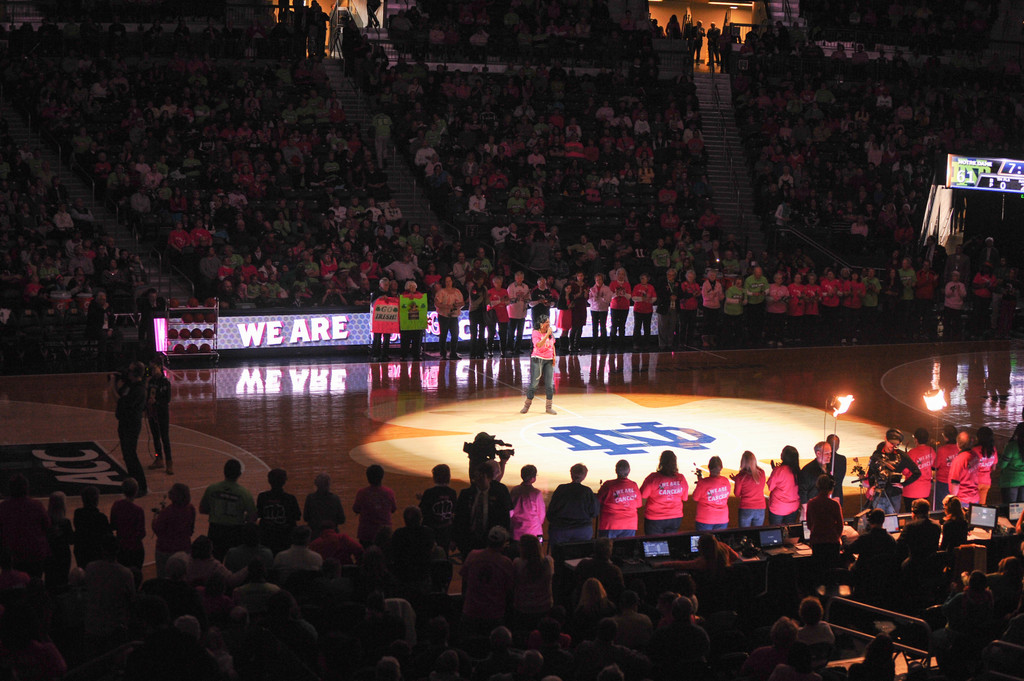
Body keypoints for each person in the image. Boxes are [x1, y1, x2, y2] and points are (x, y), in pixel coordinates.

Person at [460, 526, 515, 636]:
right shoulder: (506, 563)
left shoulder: (473, 555)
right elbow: (510, 589)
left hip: (471, 611)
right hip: (494, 614)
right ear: (503, 544)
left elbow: (464, 578)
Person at [199, 459, 257, 561]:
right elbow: (253, 516)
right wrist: (244, 519)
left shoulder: (212, 489)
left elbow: (202, 509)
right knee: (235, 560)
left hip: (216, 530)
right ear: (239, 474)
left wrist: (217, 512)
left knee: (215, 561)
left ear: (224, 471)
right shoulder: (244, 493)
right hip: (235, 531)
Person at [453, 460, 512, 556]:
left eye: (482, 477)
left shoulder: (500, 496)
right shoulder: (465, 494)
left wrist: (504, 538)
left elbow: (505, 518)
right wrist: (455, 538)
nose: (478, 480)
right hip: (468, 541)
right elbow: (458, 517)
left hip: (490, 542)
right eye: (476, 477)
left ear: (490, 478)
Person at [0, 474, 50, 577]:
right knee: (35, 583)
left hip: (12, 554)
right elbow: (47, 526)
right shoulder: (36, 505)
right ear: (26, 488)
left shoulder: (3, 507)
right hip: (35, 553)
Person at [111, 361, 149, 496]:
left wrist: (112, 385)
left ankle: (142, 486)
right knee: (127, 456)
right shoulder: (129, 385)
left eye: (130, 370)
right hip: (124, 423)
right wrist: (116, 383)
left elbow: (120, 400)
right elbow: (120, 394)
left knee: (131, 455)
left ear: (135, 373)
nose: (127, 372)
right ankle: (132, 483)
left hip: (132, 425)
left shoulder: (139, 390)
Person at [867, 429, 921, 514]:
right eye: (891, 443)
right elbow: (871, 473)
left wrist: (903, 484)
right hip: (879, 494)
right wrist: (872, 486)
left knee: (893, 522)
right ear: (886, 439)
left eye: (896, 444)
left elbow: (917, 472)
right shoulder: (876, 454)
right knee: (878, 520)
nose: (893, 446)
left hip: (894, 495)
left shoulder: (902, 455)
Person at [152, 482, 196, 578]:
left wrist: (155, 518)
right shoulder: (191, 508)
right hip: (184, 548)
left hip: (165, 550)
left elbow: (157, 529)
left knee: (163, 578)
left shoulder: (167, 512)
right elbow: (191, 528)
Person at [641, 450, 689, 535]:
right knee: (671, 544)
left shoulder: (652, 478)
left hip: (655, 518)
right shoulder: (681, 478)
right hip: (675, 518)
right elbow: (685, 498)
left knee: (654, 544)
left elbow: (643, 495)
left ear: (661, 462)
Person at [547, 463, 597, 545]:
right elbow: (594, 512)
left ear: (571, 474)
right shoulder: (587, 491)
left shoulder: (561, 489)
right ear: (584, 476)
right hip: (582, 530)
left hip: (560, 529)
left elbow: (551, 511)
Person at [256, 468, 302, 555]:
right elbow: (298, 516)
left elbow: (259, 514)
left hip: (267, 537)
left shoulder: (262, 497)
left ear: (269, 481)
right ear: (284, 481)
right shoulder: (290, 499)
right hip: (285, 538)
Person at [520, 314, 557, 414]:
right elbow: (538, 345)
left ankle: (548, 407)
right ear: (541, 324)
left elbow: (553, 345)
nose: (548, 325)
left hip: (548, 359)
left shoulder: (550, 333)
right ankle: (527, 405)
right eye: (546, 323)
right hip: (538, 359)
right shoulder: (535, 333)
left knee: (549, 384)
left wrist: (554, 357)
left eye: (549, 322)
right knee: (534, 384)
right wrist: (546, 335)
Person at [352, 464, 398, 547]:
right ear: (382, 477)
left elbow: (355, 509)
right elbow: (393, 509)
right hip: (385, 533)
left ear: (368, 478)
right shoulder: (389, 492)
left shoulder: (362, 493)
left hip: (366, 533)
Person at [806, 475, 843, 572]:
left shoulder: (811, 503)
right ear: (831, 488)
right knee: (832, 572)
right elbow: (840, 525)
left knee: (819, 572)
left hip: (817, 542)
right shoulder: (834, 504)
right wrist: (835, 537)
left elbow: (809, 524)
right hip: (832, 543)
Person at [597, 459, 643, 537]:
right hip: (629, 525)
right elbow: (639, 504)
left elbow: (598, 501)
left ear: (616, 470)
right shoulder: (634, 485)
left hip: (610, 524)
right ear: (629, 471)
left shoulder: (608, 485)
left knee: (607, 548)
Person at [418, 464, 457, 553]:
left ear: (434, 477)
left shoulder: (429, 493)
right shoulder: (452, 493)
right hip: (446, 532)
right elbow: (454, 513)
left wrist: (423, 499)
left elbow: (423, 511)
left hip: (431, 532)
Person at [110, 477, 146, 571]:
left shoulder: (116, 505)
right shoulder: (138, 510)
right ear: (136, 491)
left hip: (121, 547)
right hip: (135, 548)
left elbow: (113, 525)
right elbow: (142, 533)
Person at [145, 361, 173, 474]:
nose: (152, 370)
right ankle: (158, 458)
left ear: (160, 367)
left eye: (154, 368)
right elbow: (147, 395)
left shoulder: (165, 382)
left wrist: (156, 402)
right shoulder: (151, 381)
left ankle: (169, 462)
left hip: (162, 414)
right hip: (152, 413)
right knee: (155, 437)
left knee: (164, 438)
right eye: (151, 368)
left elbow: (167, 399)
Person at [509, 464, 546, 543]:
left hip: (516, 532)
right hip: (534, 532)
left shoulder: (515, 490)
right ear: (533, 478)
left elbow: (510, 511)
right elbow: (541, 514)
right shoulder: (536, 493)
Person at [693, 456, 731, 531]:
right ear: (721, 468)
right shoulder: (726, 481)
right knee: (719, 541)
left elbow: (695, 498)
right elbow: (726, 495)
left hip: (705, 519)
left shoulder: (703, 483)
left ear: (709, 467)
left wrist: (700, 482)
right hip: (722, 519)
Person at [902, 428, 936, 511]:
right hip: (925, 491)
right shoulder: (931, 451)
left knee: (910, 516)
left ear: (916, 440)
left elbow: (905, 471)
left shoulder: (912, 453)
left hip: (911, 491)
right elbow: (934, 466)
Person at [798, 441, 833, 517]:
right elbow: (802, 492)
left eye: (830, 453)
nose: (829, 456)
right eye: (827, 453)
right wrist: (807, 511)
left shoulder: (829, 467)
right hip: (811, 509)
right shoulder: (808, 470)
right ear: (818, 454)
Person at [733, 450, 767, 527]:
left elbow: (737, 494)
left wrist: (737, 482)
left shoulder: (740, 477)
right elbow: (758, 487)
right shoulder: (762, 473)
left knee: (744, 534)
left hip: (746, 508)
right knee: (757, 534)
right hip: (760, 507)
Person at [768, 446, 801, 524]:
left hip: (778, 508)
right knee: (789, 533)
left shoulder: (779, 470)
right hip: (793, 507)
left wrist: (774, 471)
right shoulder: (798, 471)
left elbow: (770, 486)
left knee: (775, 532)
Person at [435, 274, 464, 360]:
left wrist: (456, 305)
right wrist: (447, 307)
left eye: (449, 281)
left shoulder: (457, 291)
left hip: (454, 316)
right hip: (444, 316)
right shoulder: (441, 292)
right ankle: (443, 353)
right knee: (443, 334)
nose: (448, 283)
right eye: (446, 281)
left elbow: (462, 303)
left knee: (455, 334)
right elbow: (437, 303)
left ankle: (453, 352)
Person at [398, 280, 427, 360]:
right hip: (406, 322)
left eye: (414, 286)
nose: (412, 288)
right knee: (405, 340)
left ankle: (416, 355)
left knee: (417, 339)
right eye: (410, 286)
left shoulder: (420, 295)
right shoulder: (403, 296)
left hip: (417, 322)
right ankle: (403, 355)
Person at [949, 435, 981, 506]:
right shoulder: (975, 455)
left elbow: (955, 483)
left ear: (957, 444)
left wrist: (951, 500)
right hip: (974, 497)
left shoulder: (959, 460)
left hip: (963, 500)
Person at [998, 422, 1024, 504]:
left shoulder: (1012, 446)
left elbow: (1002, 465)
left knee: (1009, 510)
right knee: (1021, 511)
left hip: (1010, 482)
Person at [934, 425, 960, 504]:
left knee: (941, 506)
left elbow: (936, 465)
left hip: (943, 482)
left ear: (946, 437)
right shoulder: (959, 449)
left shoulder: (942, 450)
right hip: (957, 483)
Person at [507, 271, 531, 355]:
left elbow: (529, 300)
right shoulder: (511, 287)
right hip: (512, 312)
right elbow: (509, 300)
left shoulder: (526, 287)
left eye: (521, 277)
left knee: (520, 332)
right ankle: (510, 348)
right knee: (511, 332)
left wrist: (525, 299)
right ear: (515, 278)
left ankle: (518, 348)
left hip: (522, 312)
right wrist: (518, 298)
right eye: (518, 277)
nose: (519, 279)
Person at [973, 426, 999, 504]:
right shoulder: (993, 450)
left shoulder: (975, 450)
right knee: (981, 506)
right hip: (986, 482)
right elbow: (994, 467)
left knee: (972, 506)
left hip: (975, 482)